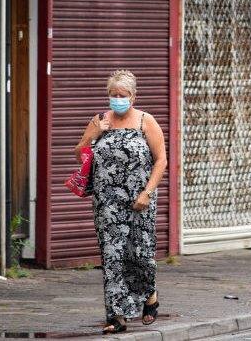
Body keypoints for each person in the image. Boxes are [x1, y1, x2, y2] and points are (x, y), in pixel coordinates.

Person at [75, 69, 168, 334]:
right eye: (112, 95)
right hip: (107, 201)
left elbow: (161, 160)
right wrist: (91, 135)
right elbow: (81, 156)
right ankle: (116, 316)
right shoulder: (100, 121)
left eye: (122, 95)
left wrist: (147, 193)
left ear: (133, 97)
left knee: (140, 254)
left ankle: (149, 295)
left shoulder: (145, 122)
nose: (117, 99)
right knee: (112, 255)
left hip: (139, 198)